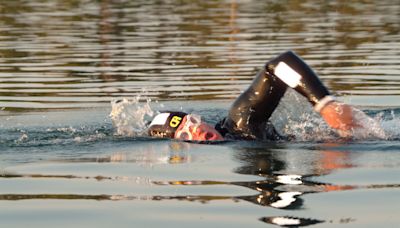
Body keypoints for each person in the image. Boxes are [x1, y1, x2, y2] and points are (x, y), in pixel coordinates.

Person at [147, 51, 370, 141]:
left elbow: (278, 65)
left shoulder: (240, 120)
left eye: (192, 122)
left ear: (202, 119)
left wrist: (325, 105)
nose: (195, 131)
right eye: (185, 137)